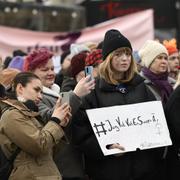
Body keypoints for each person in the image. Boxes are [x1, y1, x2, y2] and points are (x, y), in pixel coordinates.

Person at [72, 29, 165, 180]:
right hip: (109, 171)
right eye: (118, 54)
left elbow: (157, 125)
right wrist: (107, 148)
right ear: (108, 58)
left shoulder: (141, 87)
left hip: (143, 170)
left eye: (128, 54)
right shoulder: (93, 92)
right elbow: (81, 134)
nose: (124, 59)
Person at [23, 48, 95, 180]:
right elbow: (50, 117)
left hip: (72, 163)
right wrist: (75, 94)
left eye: (52, 68)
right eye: (45, 70)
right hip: (58, 167)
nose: (51, 73)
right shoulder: (31, 97)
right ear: (31, 73)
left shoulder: (56, 90)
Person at [0, 72, 71, 180]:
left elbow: (51, 152)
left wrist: (60, 126)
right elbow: (39, 145)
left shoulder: (30, 113)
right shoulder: (12, 115)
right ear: (20, 88)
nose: (40, 96)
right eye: (36, 90)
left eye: (41, 92)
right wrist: (55, 121)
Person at [139, 40, 174, 106]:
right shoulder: (139, 84)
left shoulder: (173, 83)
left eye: (165, 58)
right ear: (149, 61)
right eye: (160, 58)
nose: (164, 61)